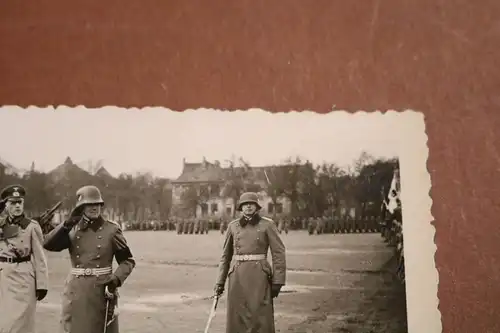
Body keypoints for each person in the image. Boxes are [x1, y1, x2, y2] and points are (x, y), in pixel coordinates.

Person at [43, 185, 136, 333]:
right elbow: (48, 244)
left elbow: (128, 261)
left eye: (97, 204)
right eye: (89, 204)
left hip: (101, 290)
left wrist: (116, 279)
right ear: (81, 207)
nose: (94, 208)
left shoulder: (111, 230)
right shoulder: (72, 229)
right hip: (75, 291)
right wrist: (66, 224)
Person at [214, 192, 286, 333]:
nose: (248, 206)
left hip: (259, 276)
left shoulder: (267, 225)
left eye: (251, 204)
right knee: (237, 316)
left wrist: (278, 280)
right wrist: (220, 282)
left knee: (260, 316)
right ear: (240, 207)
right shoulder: (233, 226)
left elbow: (278, 253)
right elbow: (225, 256)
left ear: (256, 206)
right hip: (237, 277)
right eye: (245, 204)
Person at [0, 185, 49, 333]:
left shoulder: (31, 226)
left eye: (19, 202)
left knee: (20, 324)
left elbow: (40, 258)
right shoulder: (1, 225)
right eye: (13, 203)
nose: (17, 206)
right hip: (3, 279)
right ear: (6, 205)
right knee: (4, 323)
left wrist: (42, 285)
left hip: (23, 279)